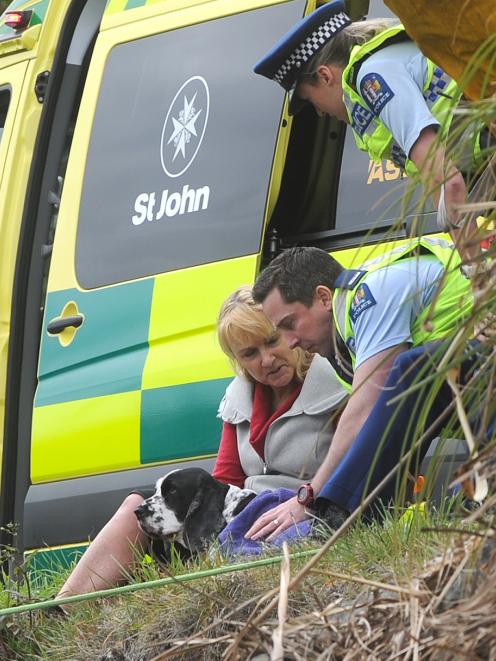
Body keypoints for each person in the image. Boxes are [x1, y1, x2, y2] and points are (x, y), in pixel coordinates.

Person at [56, 286, 347, 599]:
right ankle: (61, 610)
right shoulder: (238, 398)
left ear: (289, 332)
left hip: (301, 518)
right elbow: (223, 484)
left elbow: (354, 468)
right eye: (250, 354)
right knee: (136, 508)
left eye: (271, 340)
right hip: (241, 523)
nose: (266, 359)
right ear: (238, 360)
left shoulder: (336, 383)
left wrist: (306, 501)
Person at [245, 240, 474, 540]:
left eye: (291, 324)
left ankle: (331, 528)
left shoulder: (371, 295)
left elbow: (365, 410)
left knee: (407, 370)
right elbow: (391, 429)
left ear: (324, 297)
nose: (289, 342)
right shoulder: (345, 345)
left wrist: (309, 498)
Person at [253, 1, 483, 264]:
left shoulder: (372, 77)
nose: (319, 112)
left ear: (325, 76)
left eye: (310, 99)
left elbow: (447, 183)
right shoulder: (380, 69)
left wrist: (474, 266)